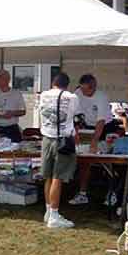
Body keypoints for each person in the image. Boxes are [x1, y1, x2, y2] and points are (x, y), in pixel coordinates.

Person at [69, 74, 118, 206]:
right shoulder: (77, 94)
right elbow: (76, 116)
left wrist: (94, 142)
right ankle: (83, 193)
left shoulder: (101, 97)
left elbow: (101, 122)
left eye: (87, 91)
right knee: (84, 161)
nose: (84, 93)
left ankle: (112, 192)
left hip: (106, 128)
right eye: (82, 90)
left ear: (93, 87)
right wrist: (76, 132)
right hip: (88, 127)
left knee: (107, 160)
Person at [39, 72, 79, 228]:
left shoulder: (43, 95)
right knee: (58, 177)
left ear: (53, 83)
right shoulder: (71, 97)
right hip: (63, 140)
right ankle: (54, 216)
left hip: (46, 138)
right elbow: (74, 116)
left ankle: (48, 211)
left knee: (48, 176)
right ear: (67, 84)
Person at [0, 70, 26, 143]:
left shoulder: (17, 93)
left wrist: (12, 113)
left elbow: (23, 111)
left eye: (3, 77)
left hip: (12, 129)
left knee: (14, 152)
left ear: (8, 79)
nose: (0, 79)